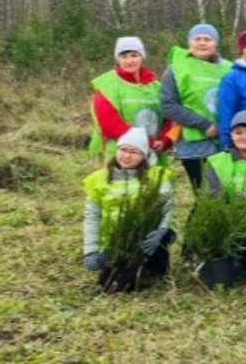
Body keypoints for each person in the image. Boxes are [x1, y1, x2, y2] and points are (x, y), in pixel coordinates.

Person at [80, 127, 176, 289]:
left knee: (164, 236)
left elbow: (166, 205)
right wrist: (91, 250)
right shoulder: (98, 180)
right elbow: (92, 217)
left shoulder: (156, 176)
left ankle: (154, 268)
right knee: (113, 286)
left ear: (144, 156)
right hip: (114, 241)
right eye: (123, 149)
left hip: (145, 239)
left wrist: (161, 229)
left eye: (134, 152)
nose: (126, 156)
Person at [160, 24, 232, 189]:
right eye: (197, 39)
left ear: (215, 44)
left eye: (207, 39)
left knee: (224, 192)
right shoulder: (176, 68)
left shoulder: (229, 68)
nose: (202, 43)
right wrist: (203, 124)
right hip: (192, 145)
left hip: (224, 142)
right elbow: (168, 104)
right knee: (203, 194)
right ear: (189, 43)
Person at [91, 36, 171, 163]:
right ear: (117, 59)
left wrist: (164, 141)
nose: (129, 60)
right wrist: (146, 143)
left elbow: (170, 117)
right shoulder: (107, 85)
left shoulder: (156, 87)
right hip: (121, 158)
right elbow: (109, 125)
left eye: (134, 55)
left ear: (142, 57)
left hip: (154, 155)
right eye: (124, 56)